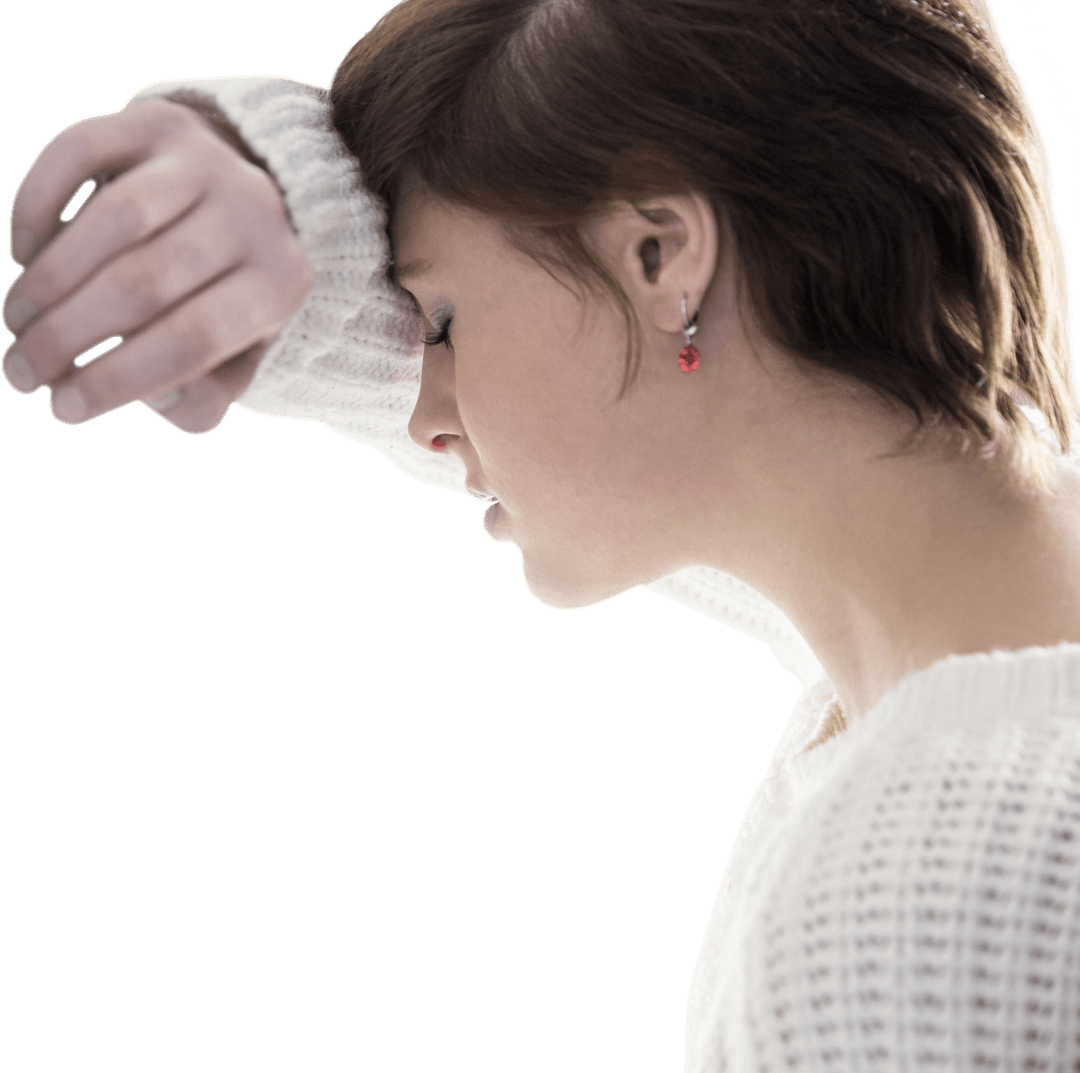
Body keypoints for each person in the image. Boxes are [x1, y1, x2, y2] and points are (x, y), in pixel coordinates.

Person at [4, 0, 1080, 1067]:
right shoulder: (944, 666)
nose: (423, 415)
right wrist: (293, 219)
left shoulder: (924, 899)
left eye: (439, 324)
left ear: (662, 258)